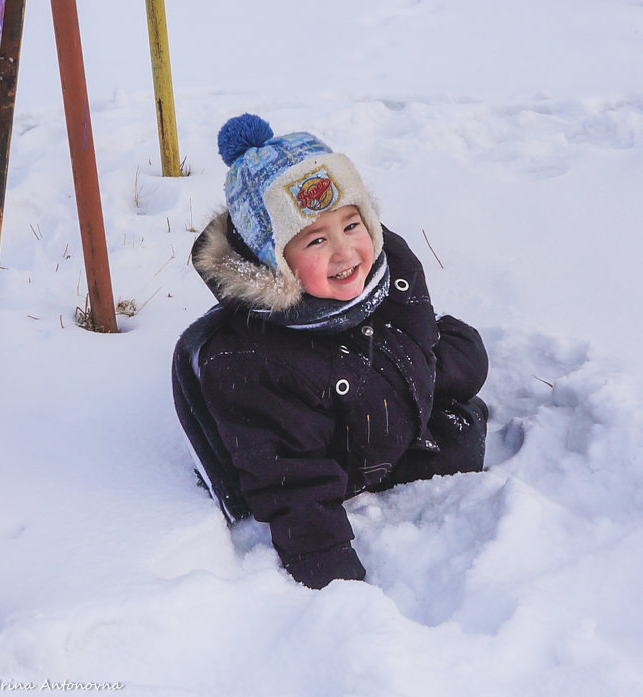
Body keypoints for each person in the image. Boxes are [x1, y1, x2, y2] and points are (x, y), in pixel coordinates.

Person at [172, 114, 489, 589]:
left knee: (467, 361)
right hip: (324, 449)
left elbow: (416, 326)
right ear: (272, 259)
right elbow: (291, 483)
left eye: (351, 225)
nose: (345, 253)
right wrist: (329, 572)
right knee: (455, 445)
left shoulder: (389, 263)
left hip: (367, 380)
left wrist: (426, 367)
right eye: (316, 240)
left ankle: (415, 388)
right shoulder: (252, 362)